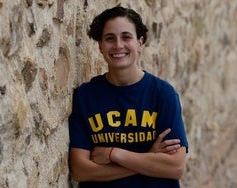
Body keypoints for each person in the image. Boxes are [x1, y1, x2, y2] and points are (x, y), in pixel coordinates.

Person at [68, 5, 188, 188]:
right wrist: (150, 156)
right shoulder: (86, 96)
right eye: (109, 38)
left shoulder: (163, 94)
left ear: (140, 43)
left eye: (126, 37)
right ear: (100, 46)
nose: (118, 45)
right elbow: (80, 171)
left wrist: (114, 154)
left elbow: (176, 167)